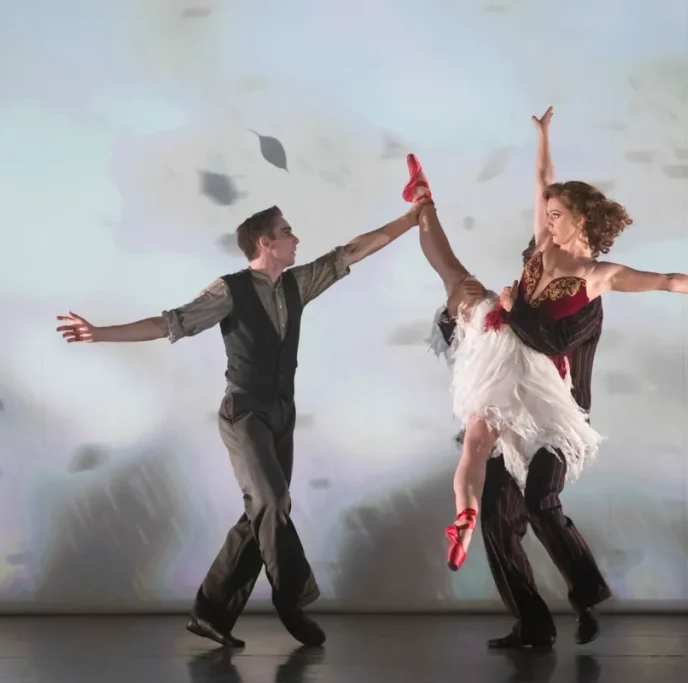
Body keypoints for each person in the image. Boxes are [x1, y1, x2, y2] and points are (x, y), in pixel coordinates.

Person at [56, 200, 426, 648]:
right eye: (287, 231)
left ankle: (210, 612)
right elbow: (168, 324)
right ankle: (292, 601)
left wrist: (412, 218)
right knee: (272, 500)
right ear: (264, 242)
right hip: (244, 413)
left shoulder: (298, 284)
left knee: (261, 514)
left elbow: (352, 251)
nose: (296, 238)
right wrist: (100, 333)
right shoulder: (229, 291)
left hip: (281, 415)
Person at [405, 105, 688, 576]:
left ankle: (423, 200)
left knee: (482, 434)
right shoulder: (544, 245)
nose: (547, 223)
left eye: (557, 216)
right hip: (503, 348)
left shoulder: (597, 275)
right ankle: (465, 520)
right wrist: (543, 136)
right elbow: (544, 177)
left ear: (580, 220)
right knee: (453, 281)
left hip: (532, 368)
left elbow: (666, 279)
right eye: (546, 215)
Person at [435, 238, 609, 649]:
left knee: (540, 500)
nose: (539, 268)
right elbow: (469, 340)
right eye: (533, 261)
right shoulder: (519, 298)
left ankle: (586, 601)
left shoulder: (585, 299)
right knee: (496, 516)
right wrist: (460, 309)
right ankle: (532, 623)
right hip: (506, 415)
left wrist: (511, 311)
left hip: (559, 421)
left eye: (545, 261)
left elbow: (554, 342)